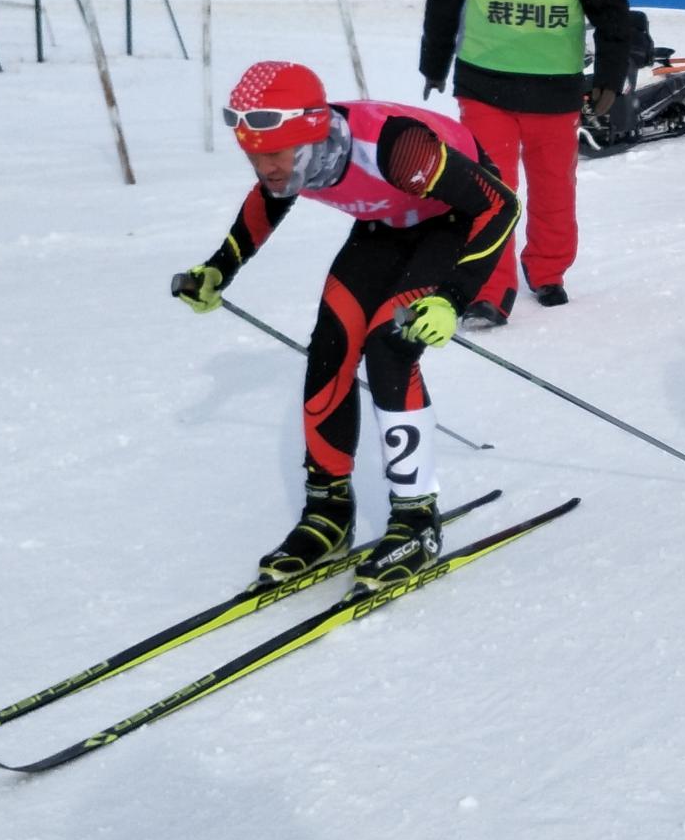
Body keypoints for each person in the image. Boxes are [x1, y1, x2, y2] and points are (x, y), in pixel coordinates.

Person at [171, 62, 519, 587]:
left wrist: (452, 298)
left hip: (453, 219)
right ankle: (328, 512)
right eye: (254, 155)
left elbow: (500, 205)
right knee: (330, 346)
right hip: (385, 223)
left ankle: (415, 519)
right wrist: (221, 266)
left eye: (274, 154)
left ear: (309, 138)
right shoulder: (294, 155)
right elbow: (270, 198)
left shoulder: (397, 148)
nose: (265, 166)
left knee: (390, 345)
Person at [417, 0, 630, 323]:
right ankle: (489, 289)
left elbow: (610, 8)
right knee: (491, 193)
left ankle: (549, 270)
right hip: (485, 82)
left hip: (555, 87)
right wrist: (434, 60)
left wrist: (609, 74)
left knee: (555, 188)